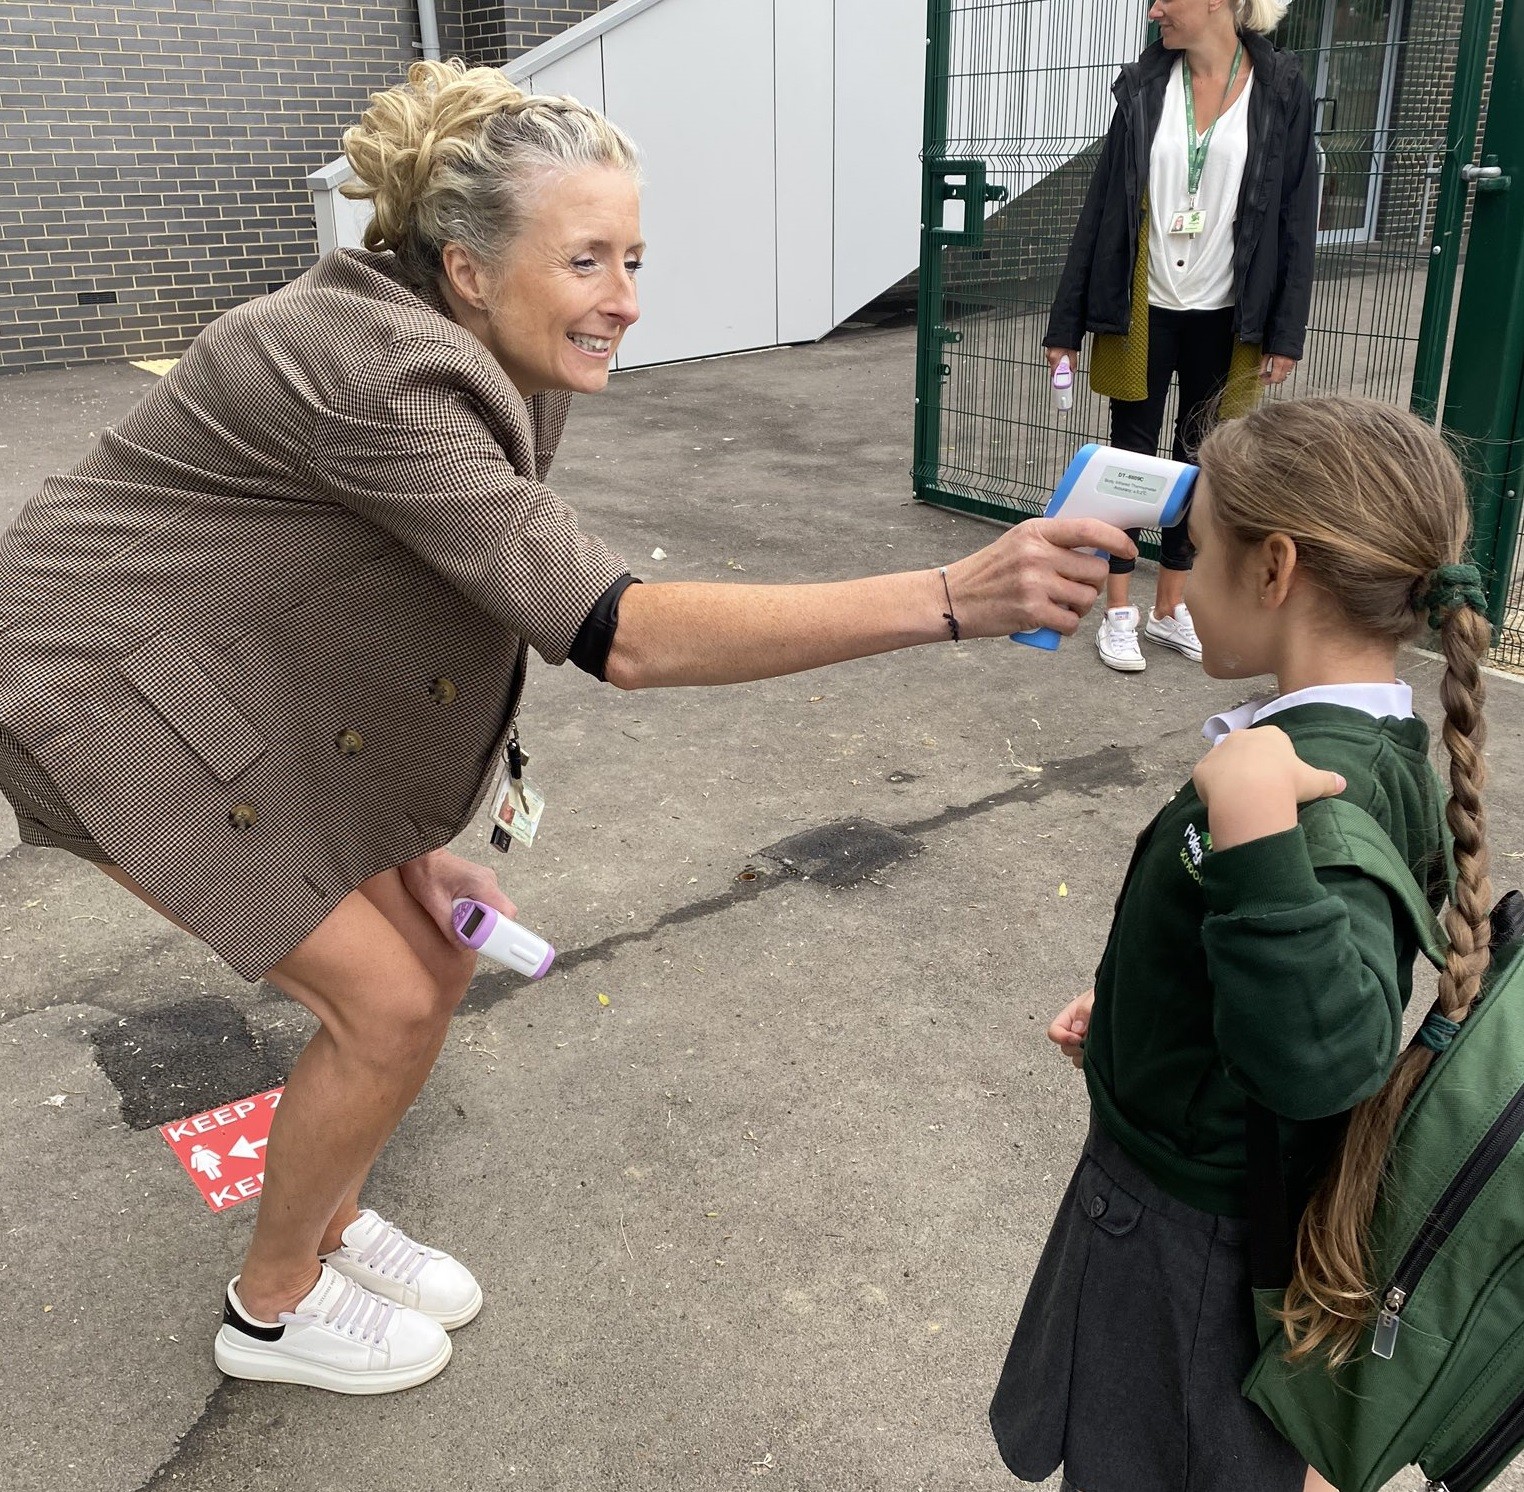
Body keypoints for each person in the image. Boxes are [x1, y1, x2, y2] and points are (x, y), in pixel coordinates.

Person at [0, 61, 1131, 1397]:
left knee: (425, 959)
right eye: (586, 259)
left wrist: (410, 842)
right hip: (95, 694)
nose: (626, 301)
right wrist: (951, 594)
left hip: (220, 666)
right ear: (468, 267)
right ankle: (273, 1302)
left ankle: (327, 1207)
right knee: (386, 1000)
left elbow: (397, 613)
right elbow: (622, 632)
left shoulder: (491, 350)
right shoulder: (382, 376)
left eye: (634, 258)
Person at [987, 395, 1491, 1492]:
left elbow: (1328, 1052)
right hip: (1212, 1203)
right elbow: (1277, 963)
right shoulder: (1384, 733)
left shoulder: (1300, 784)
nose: (1181, 574)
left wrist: (1256, 831)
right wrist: (1147, 1005)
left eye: (1197, 546)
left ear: (1274, 568)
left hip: (1191, 1249)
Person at [1044, 0, 1317, 674]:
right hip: (1143, 305)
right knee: (1131, 462)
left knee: (1202, 460)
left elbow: (1295, 214)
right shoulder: (1142, 86)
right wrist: (1065, 325)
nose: (1153, 9)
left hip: (1229, 311)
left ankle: (1171, 610)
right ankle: (1117, 613)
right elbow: (1102, 207)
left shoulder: (1283, 89)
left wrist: (1285, 328)